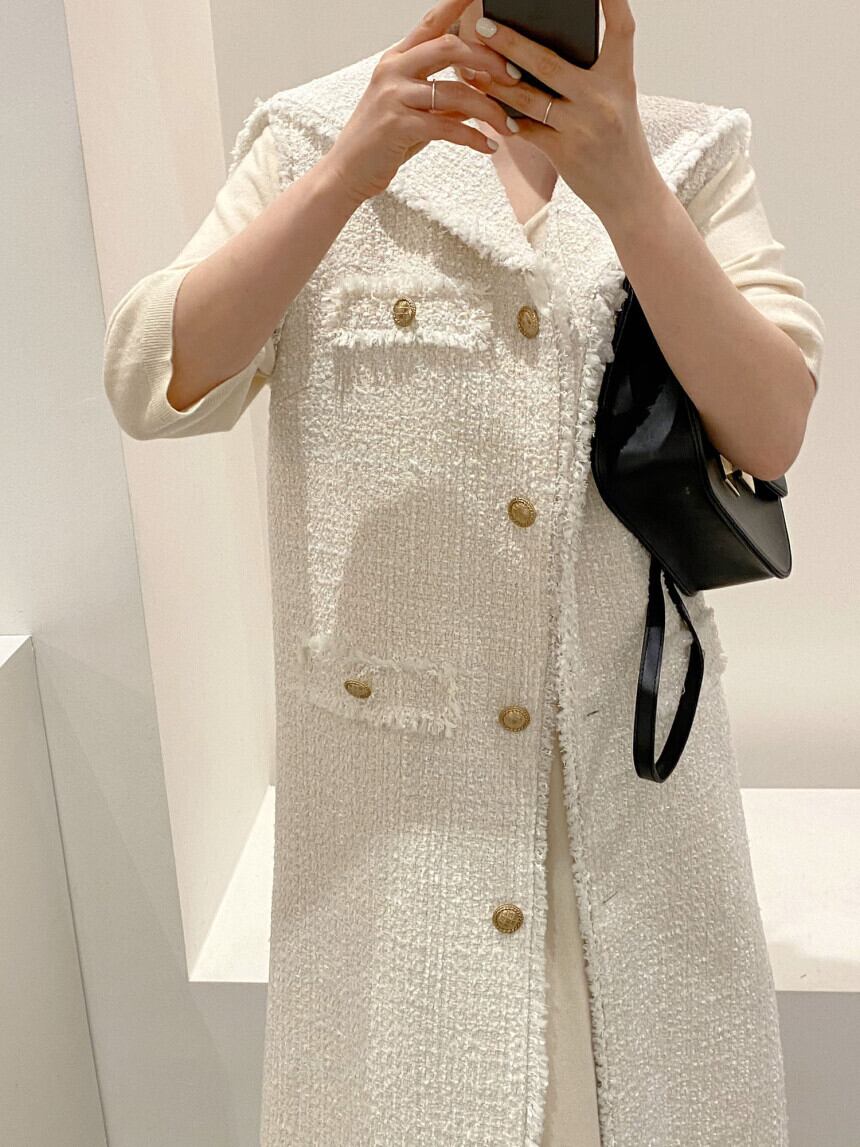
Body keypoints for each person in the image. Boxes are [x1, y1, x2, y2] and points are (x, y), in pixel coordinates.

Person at [102, 1, 825, 1143]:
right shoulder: (317, 134)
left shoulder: (687, 155)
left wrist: (628, 188)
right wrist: (346, 174)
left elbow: (772, 427)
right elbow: (153, 379)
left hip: (628, 828)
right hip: (396, 848)